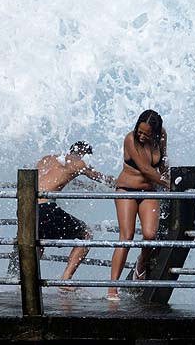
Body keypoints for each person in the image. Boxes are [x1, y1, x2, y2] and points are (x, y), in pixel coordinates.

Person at [36, 141, 115, 288]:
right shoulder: (79, 163)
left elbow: (52, 179)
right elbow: (102, 179)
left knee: (37, 240)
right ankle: (66, 280)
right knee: (86, 234)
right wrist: (120, 184)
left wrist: (83, 185)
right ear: (85, 155)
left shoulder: (47, 158)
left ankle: (29, 279)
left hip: (27, 207)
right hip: (45, 208)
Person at [108, 110, 169, 301]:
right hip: (127, 190)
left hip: (149, 192)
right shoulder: (130, 139)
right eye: (139, 131)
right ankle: (112, 288)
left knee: (150, 236)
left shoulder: (161, 138)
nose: (141, 136)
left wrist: (168, 174)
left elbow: (162, 163)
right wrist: (170, 184)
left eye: (146, 134)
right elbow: (145, 168)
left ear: (156, 133)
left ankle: (141, 265)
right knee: (126, 237)